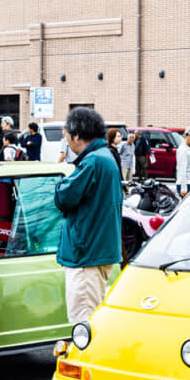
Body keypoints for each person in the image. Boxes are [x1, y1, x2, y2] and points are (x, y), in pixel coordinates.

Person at [54, 107, 123, 323]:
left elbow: (64, 197)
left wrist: (59, 185)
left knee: (84, 322)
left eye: (67, 136)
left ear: (76, 136)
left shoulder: (92, 161)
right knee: (93, 317)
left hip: (86, 255)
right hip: (98, 250)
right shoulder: (105, 157)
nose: (67, 142)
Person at [176, 127, 190, 196]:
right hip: (186, 184)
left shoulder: (189, 148)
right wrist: (184, 188)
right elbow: (182, 170)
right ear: (186, 136)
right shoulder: (183, 150)